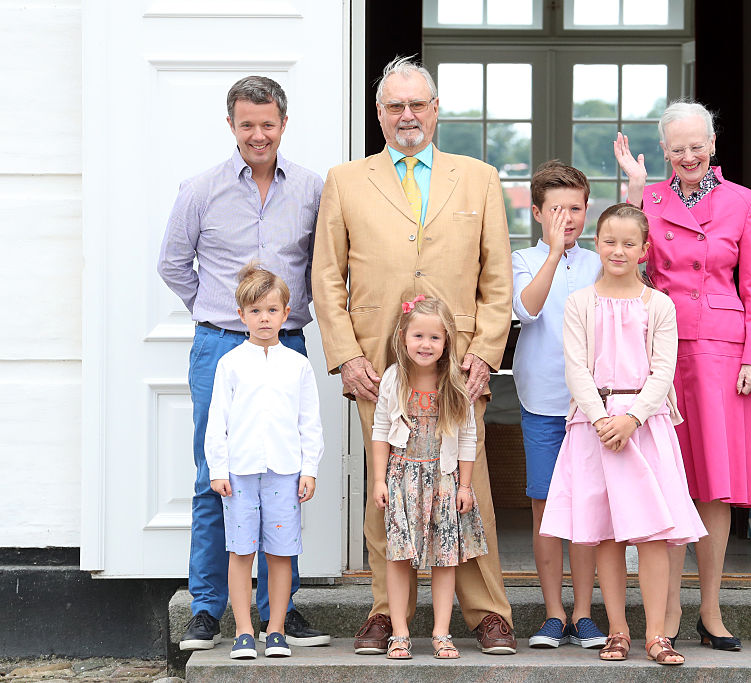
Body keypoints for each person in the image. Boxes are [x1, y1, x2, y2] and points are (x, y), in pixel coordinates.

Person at [311, 56, 516, 654]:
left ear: (435, 110)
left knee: (467, 484)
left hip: (459, 363)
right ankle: (386, 611)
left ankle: (487, 613)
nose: (407, 115)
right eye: (395, 105)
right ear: (379, 114)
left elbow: (497, 278)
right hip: (377, 362)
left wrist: (486, 352)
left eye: (417, 104)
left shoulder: (478, 178)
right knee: (387, 486)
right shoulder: (346, 180)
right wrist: (345, 355)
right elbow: (327, 276)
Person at [157, 75, 329, 650]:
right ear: (231, 124)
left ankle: (279, 612)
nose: (258, 134)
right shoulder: (200, 190)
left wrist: (291, 315)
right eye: (247, 124)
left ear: (284, 124)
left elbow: (324, 266)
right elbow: (173, 264)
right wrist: (214, 313)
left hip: (287, 346)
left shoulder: (311, 189)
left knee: (284, 476)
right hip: (219, 347)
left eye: (268, 124)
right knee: (217, 477)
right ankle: (207, 610)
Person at [614, 100, 751, 651]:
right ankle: (668, 608)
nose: (688, 156)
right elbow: (625, 263)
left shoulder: (744, 201)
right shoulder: (651, 199)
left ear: (713, 144)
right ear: (663, 150)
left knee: (715, 485)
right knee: (667, 478)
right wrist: (635, 190)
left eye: (696, 146)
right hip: (658, 348)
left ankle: (711, 607)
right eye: (677, 148)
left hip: (721, 353)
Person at [540, 203, 707, 666]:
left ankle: (656, 635)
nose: (618, 250)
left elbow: (663, 370)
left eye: (629, 243)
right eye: (610, 241)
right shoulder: (580, 303)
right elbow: (575, 368)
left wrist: (632, 419)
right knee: (606, 534)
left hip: (645, 426)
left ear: (644, 249)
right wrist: (600, 419)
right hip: (593, 427)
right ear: (596, 244)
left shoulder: (659, 305)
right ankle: (617, 630)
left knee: (652, 533)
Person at [205, 265, 324, 660]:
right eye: (255, 311)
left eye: (272, 310)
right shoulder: (231, 363)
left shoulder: (297, 365)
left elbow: (309, 422)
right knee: (241, 552)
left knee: (280, 552)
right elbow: (217, 421)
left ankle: (275, 630)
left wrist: (309, 469)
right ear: (241, 315)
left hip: (284, 473)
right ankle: (243, 631)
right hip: (239, 474)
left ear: (286, 313)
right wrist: (218, 470)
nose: (264, 319)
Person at [511, 161, 605, 650]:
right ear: (537, 213)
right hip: (543, 400)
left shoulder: (598, 262)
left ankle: (584, 613)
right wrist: (552, 253)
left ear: (587, 211)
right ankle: (553, 613)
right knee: (546, 506)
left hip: (592, 405)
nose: (566, 218)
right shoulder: (523, 259)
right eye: (555, 210)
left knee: (587, 506)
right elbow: (526, 309)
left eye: (575, 209)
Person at [370, 297, 489, 660]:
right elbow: (380, 430)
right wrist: (379, 480)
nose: (426, 344)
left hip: (443, 480)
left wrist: (464, 485)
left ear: (447, 341)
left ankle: (441, 633)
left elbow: (467, 437)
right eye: (418, 336)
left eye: (435, 337)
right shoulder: (394, 378)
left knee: (444, 557)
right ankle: (400, 633)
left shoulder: (454, 382)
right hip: (402, 477)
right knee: (398, 556)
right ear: (403, 337)